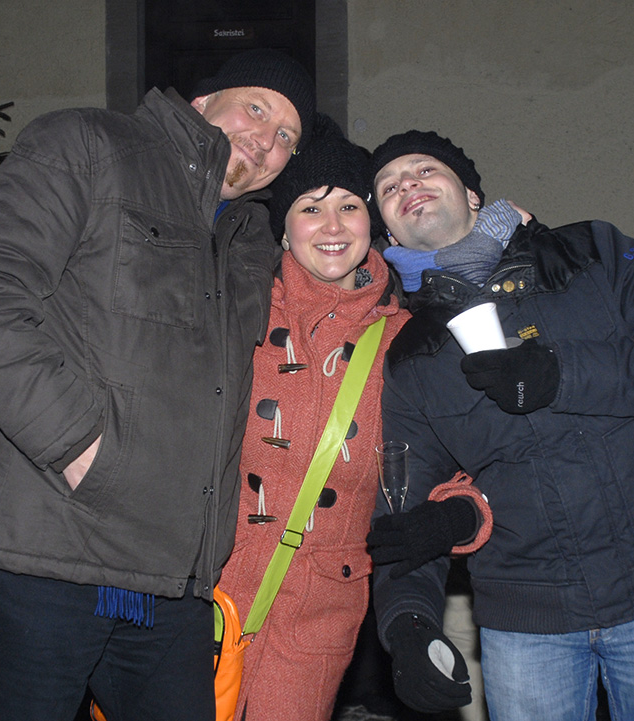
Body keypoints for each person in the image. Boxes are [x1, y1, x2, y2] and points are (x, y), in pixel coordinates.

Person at [0, 49, 315, 721]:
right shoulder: (92, 146)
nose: (266, 139)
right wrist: (76, 444)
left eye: (285, 136)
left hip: (169, 580)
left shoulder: (248, 236)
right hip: (43, 555)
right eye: (256, 107)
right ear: (200, 103)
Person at [364, 130, 634, 720]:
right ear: (388, 234)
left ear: (472, 193)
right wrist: (408, 622)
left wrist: (565, 373)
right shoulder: (411, 355)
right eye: (388, 187)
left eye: (424, 169)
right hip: (526, 622)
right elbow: (408, 510)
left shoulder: (593, 252)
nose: (407, 184)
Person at [215, 114, 411, 721]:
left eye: (349, 206)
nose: (332, 226)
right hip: (210, 587)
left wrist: (458, 512)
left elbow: (446, 456)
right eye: (310, 208)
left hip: (319, 605)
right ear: (283, 229)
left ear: (371, 224)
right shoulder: (236, 304)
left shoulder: (406, 340)